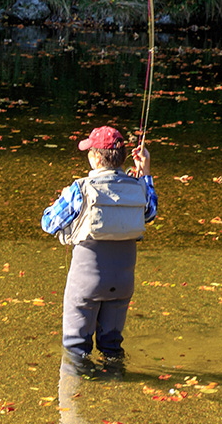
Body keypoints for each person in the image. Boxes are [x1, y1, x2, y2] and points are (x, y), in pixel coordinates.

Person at [41, 125, 157, 377]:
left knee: (75, 348)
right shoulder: (138, 188)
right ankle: (115, 394)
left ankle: (77, 406)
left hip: (86, 283)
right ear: (123, 158)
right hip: (123, 283)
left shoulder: (79, 189)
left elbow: (48, 224)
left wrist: (60, 200)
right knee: (112, 347)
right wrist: (145, 171)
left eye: (88, 153)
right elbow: (151, 212)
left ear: (95, 157)